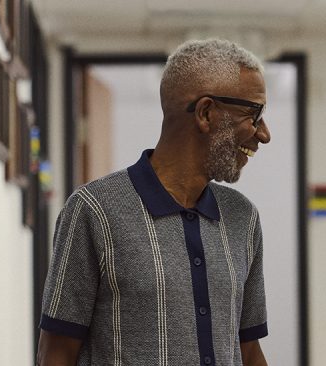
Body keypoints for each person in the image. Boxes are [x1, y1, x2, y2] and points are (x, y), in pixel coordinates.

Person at [35, 39, 273, 366]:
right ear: (206, 113)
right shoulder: (94, 210)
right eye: (254, 114)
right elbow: (56, 354)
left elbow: (248, 351)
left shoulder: (242, 218)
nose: (264, 134)